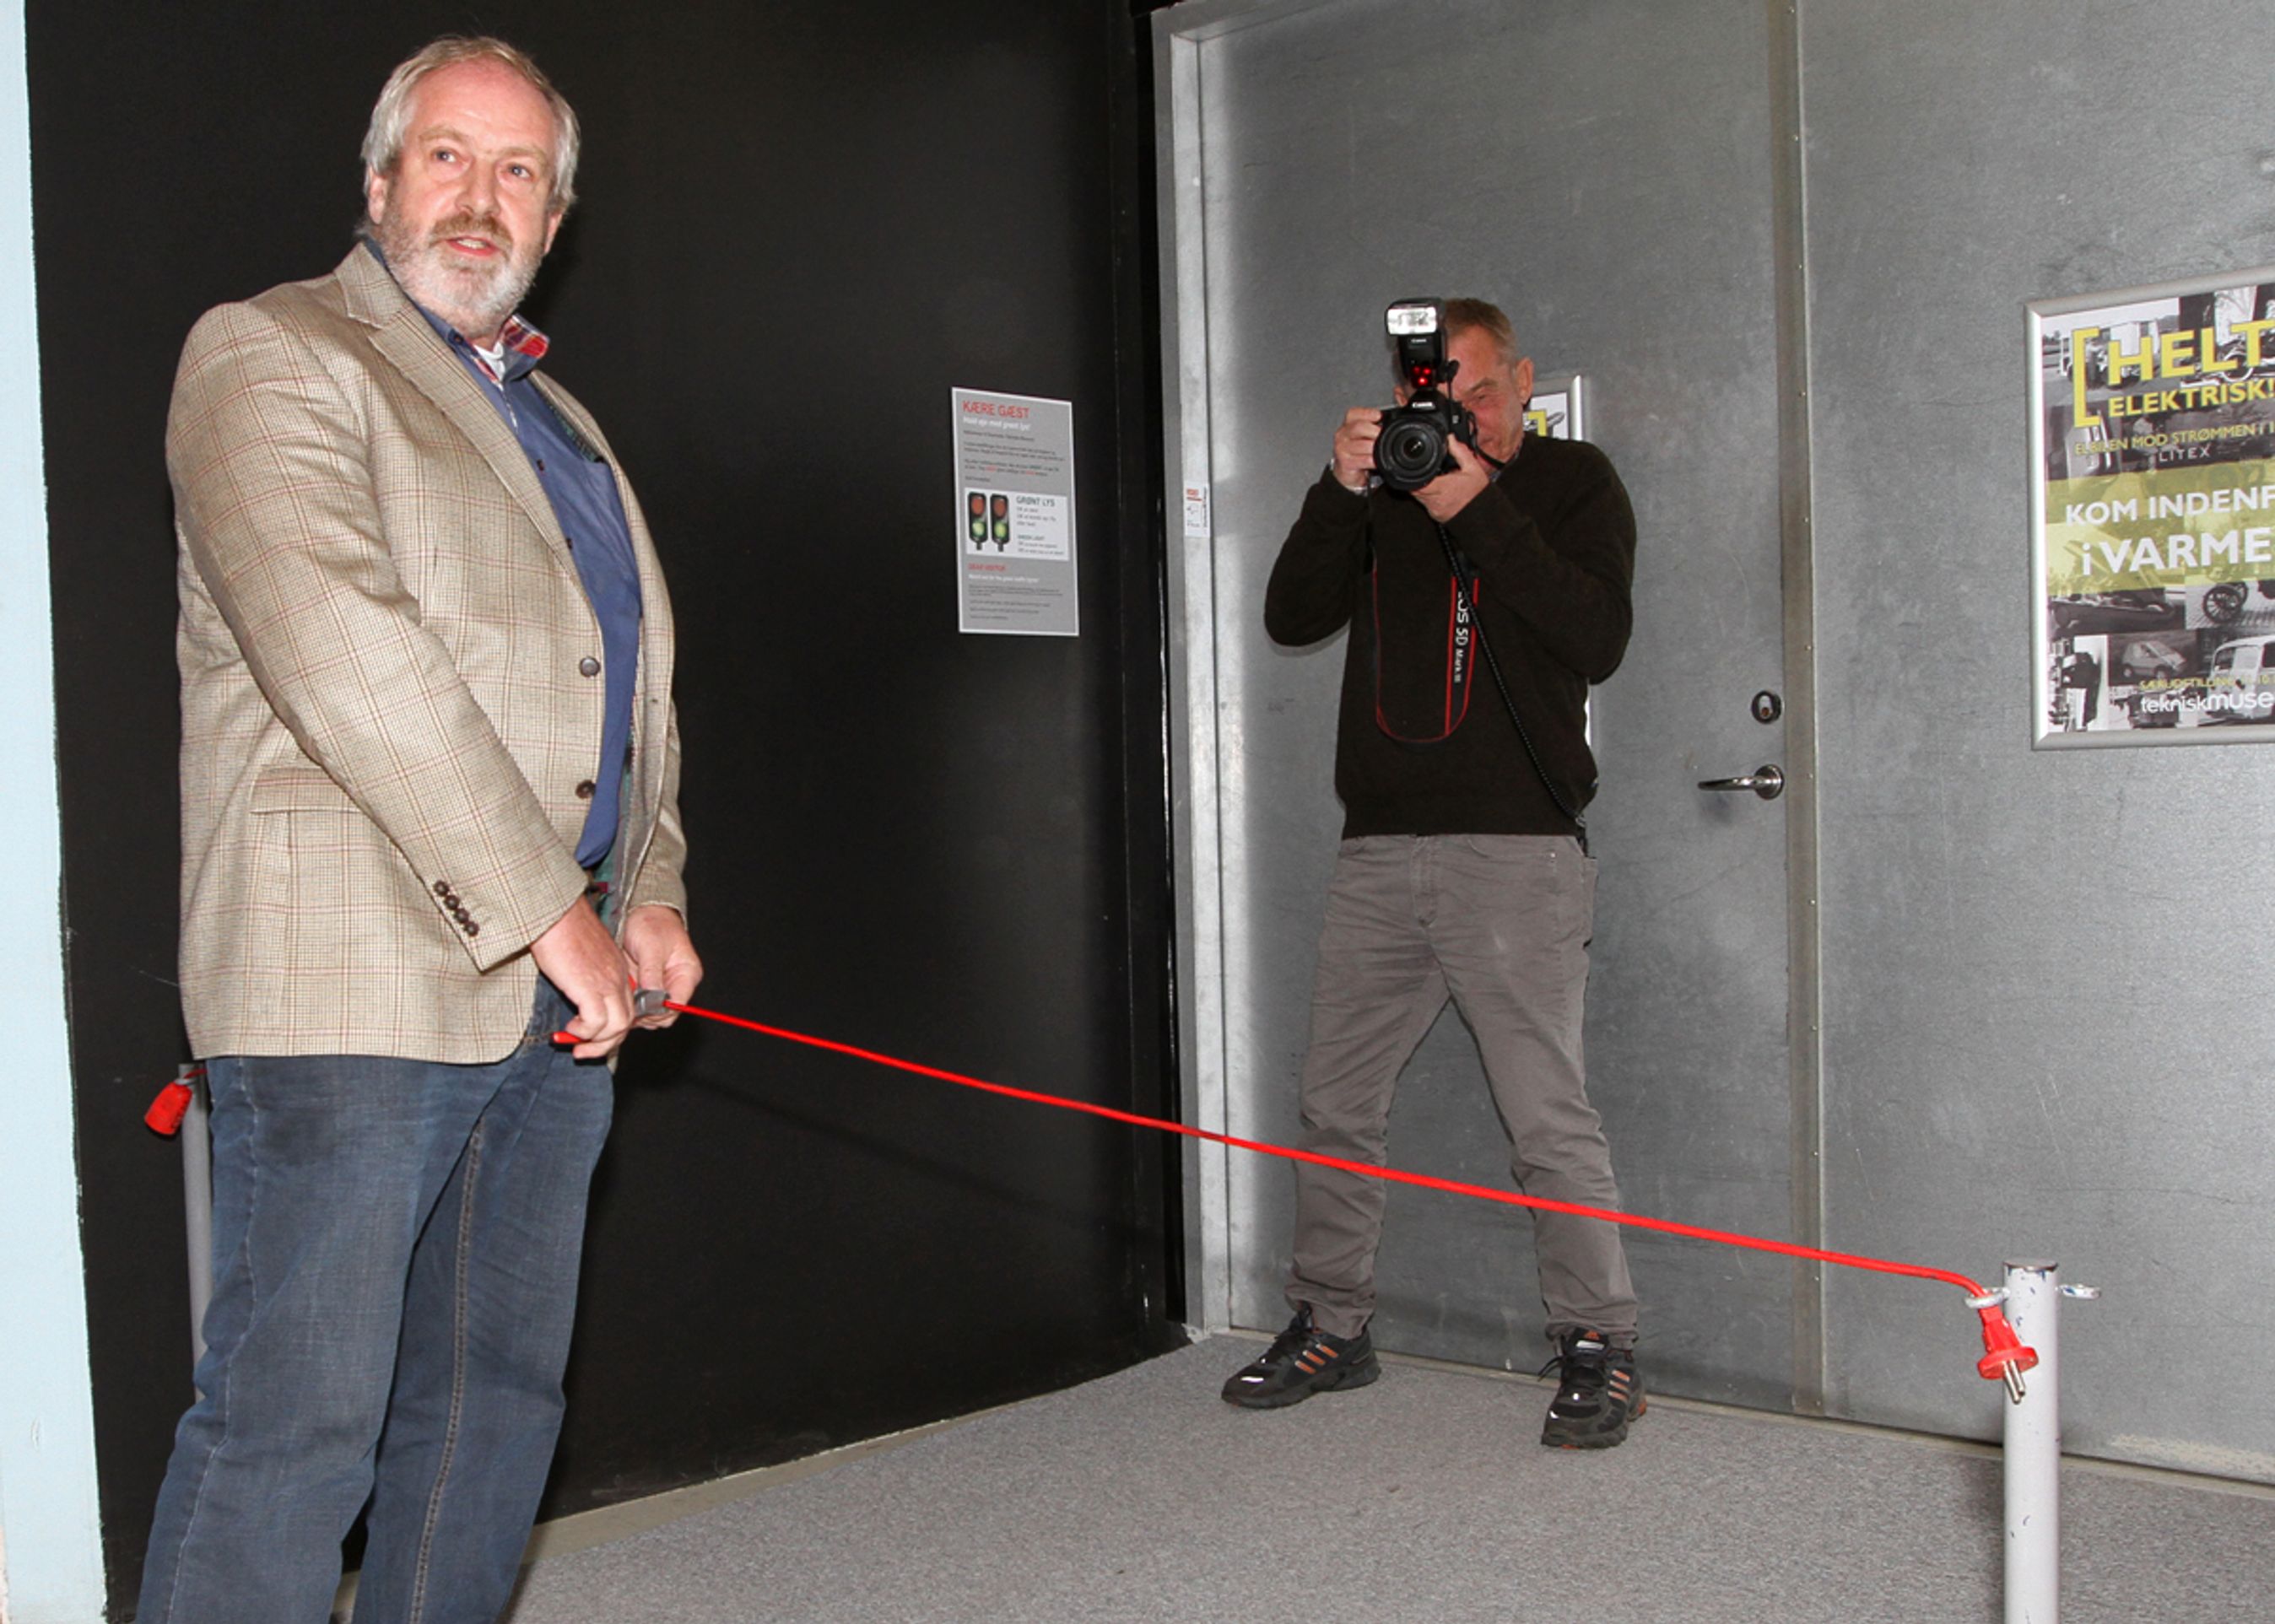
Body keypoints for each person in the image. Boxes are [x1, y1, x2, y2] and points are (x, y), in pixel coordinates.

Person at [140, 37, 700, 1621]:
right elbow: (347, 651)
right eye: (447, 156)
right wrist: (550, 906)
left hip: (560, 994)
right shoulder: (269, 353)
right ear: (382, 182)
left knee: (493, 1411)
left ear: (556, 216)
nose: (480, 196)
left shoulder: (566, 425)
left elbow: (627, 691)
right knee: (293, 1429)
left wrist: (647, 884)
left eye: (519, 171)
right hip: (350, 987)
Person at [1220, 298, 1643, 1448]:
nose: (1464, 418)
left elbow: (1595, 634)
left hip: (1516, 850)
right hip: (1376, 849)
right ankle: (1332, 1323)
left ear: (1524, 379)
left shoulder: (1573, 482)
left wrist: (1475, 505)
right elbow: (1291, 614)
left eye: (1484, 392)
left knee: (1545, 1115)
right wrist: (1341, 486)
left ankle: (1600, 1344)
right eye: (1442, 400)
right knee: (1335, 1100)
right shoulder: (1383, 491)